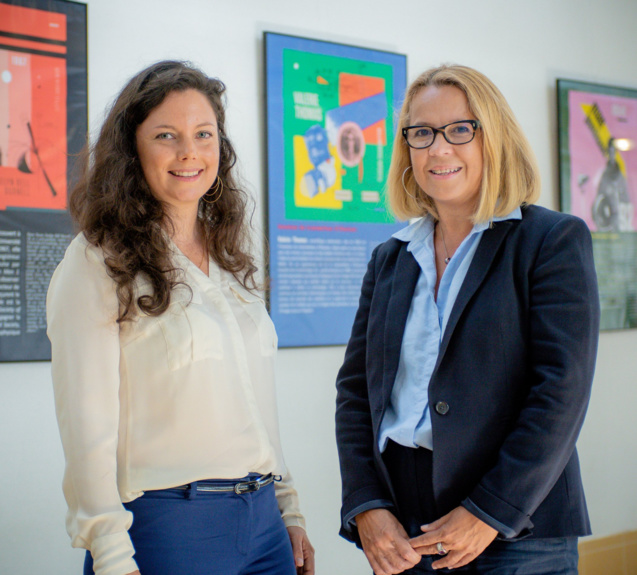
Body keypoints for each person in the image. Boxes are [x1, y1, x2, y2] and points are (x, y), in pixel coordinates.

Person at [47, 60, 314, 575]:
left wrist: (289, 507)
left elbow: (256, 398)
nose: (189, 151)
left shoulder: (231, 259)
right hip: (169, 528)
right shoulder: (97, 260)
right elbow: (85, 427)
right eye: (166, 135)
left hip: (264, 526)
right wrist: (110, 553)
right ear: (132, 149)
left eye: (204, 134)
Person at [335, 64, 599, 575]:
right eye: (421, 133)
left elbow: (561, 391)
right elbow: (355, 393)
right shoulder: (390, 258)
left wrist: (490, 512)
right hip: (403, 523)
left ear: (493, 138)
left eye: (460, 129)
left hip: (518, 526)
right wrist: (366, 505)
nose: (438, 149)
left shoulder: (550, 241)